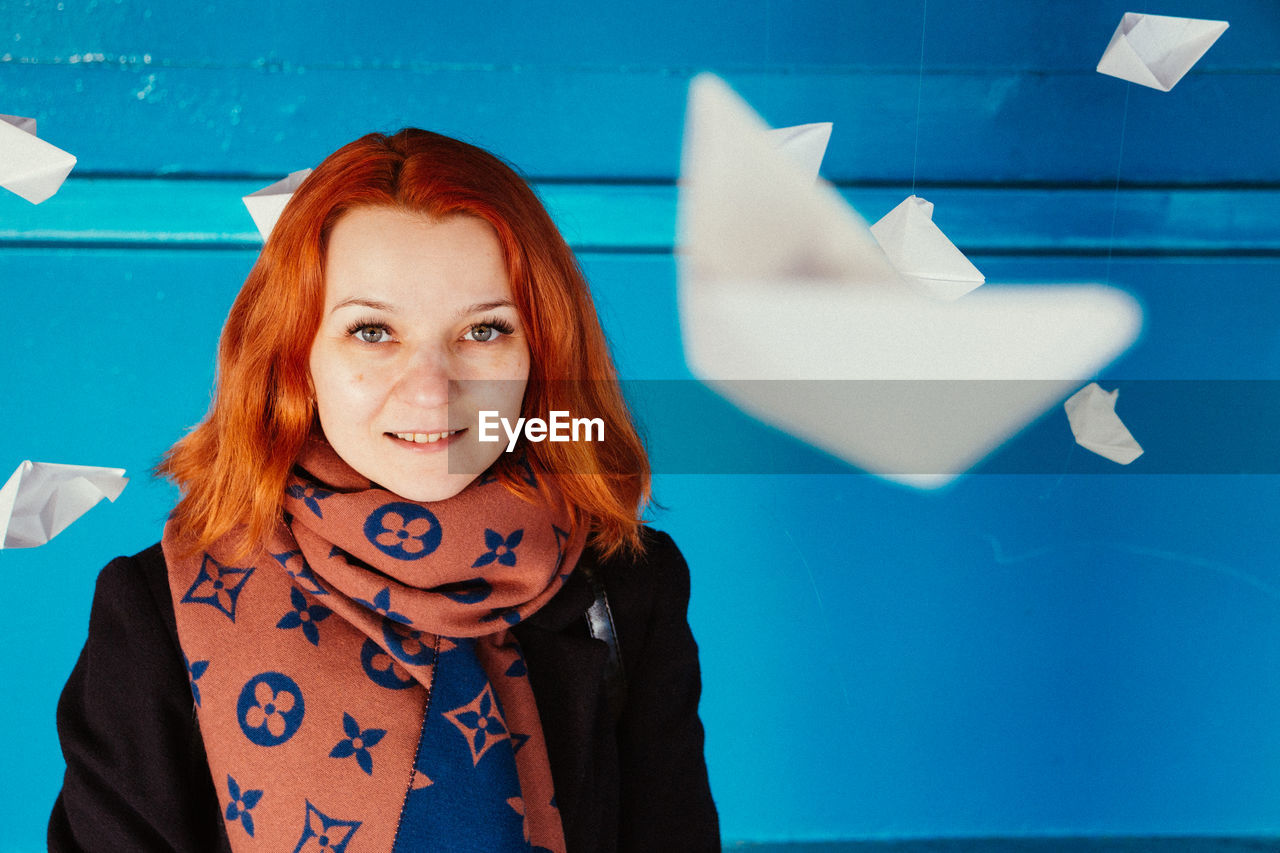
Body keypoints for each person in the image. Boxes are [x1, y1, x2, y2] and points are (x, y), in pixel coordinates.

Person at [47, 128, 719, 852]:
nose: (432, 392)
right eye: (373, 332)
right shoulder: (154, 613)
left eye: (484, 330)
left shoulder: (628, 590)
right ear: (295, 354)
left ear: (543, 352)